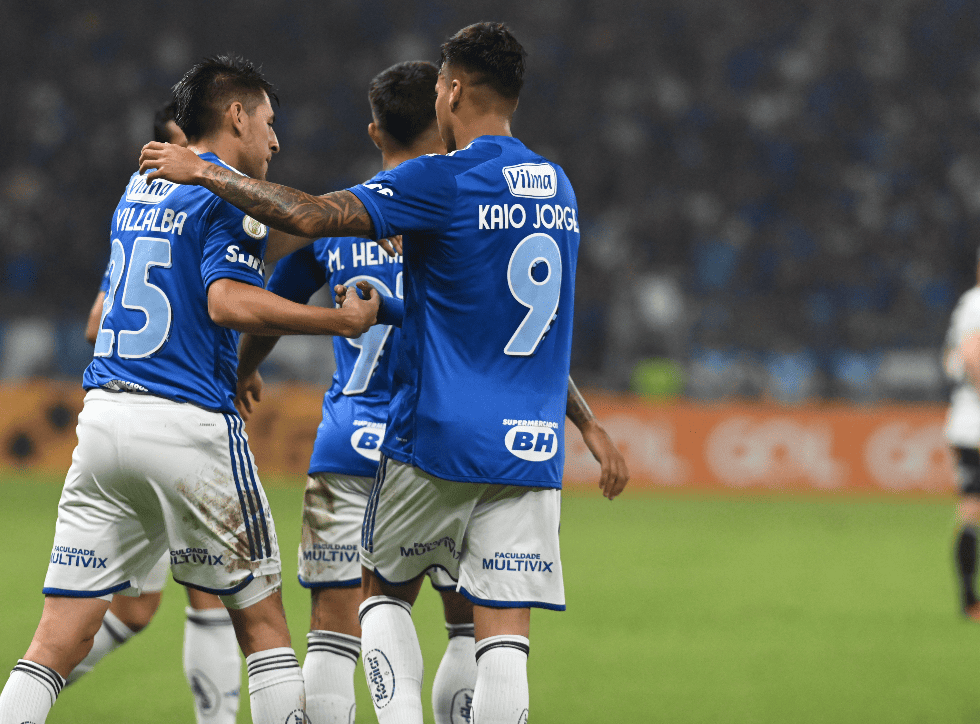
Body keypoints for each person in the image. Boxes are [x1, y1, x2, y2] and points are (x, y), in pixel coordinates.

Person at [140, 22, 628, 724]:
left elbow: (309, 216)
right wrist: (587, 423)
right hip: (529, 447)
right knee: (501, 637)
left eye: (440, 83)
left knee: (380, 592)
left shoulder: (439, 178)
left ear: (453, 89)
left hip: (435, 437)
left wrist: (208, 171)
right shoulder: (559, 187)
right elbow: (519, 322)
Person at [0, 55, 380, 724]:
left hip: (104, 421)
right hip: (187, 424)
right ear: (237, 116)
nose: (275, 141)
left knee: (58, 635)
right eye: (268, 122)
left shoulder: (137, 190)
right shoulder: (229, 194)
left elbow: (108, 312)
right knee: (262, 626)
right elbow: (229, 302)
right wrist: (335, 320)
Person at [0, 101, 243, 724]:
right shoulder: (204, 204)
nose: (199, 160)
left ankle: (9, 705)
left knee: (126, 609)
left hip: (114, 426)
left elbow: (98, 320)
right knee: (214, 594)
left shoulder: (139, 206)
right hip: (182, 418)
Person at [943, 248, 980, 620]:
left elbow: (952, 359)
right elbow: (970, 356)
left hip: (966, 423)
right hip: (975, 422)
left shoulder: (967, 304)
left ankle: (970, 601)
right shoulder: (977, 304)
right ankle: (970, 600)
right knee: (972, 509)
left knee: (971, 510)